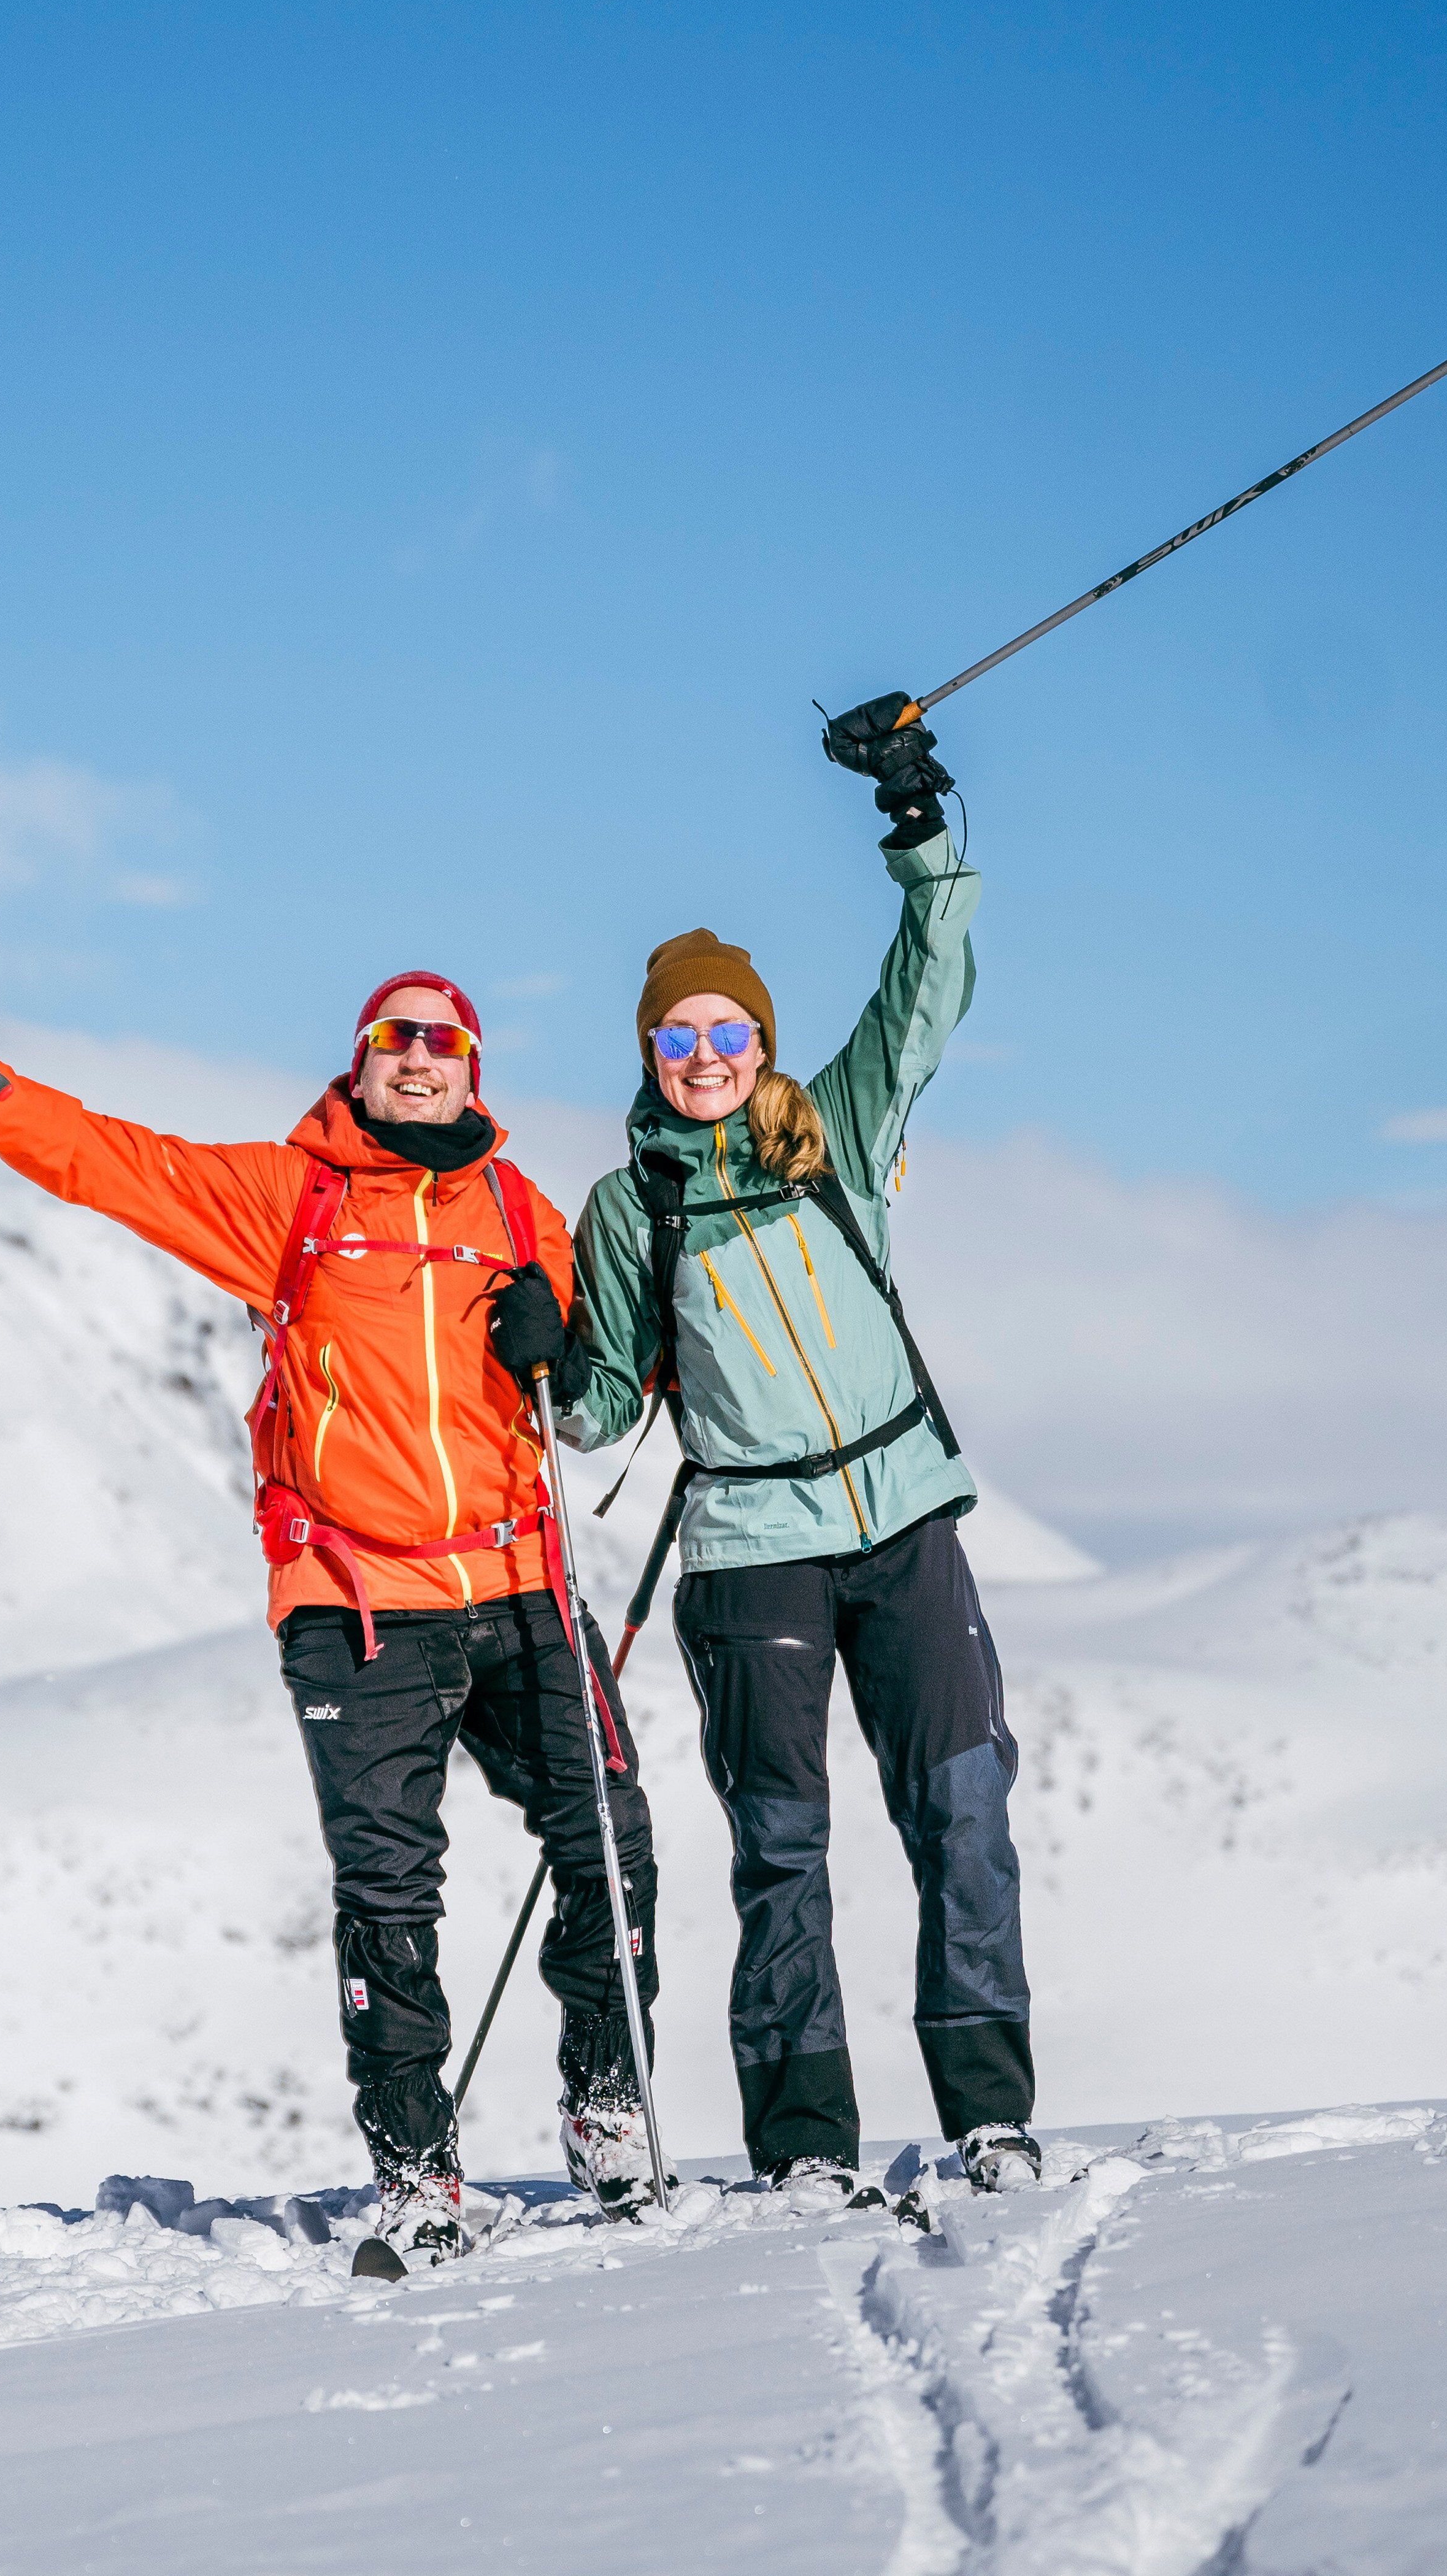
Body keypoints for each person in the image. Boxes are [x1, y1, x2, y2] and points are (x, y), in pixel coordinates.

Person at [0, 969, 663, 2250]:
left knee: (611, 1837)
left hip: (523, 1581)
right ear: (361, 1062)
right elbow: (121, 1165)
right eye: (394, 1040)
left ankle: (607, 2106)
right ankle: (418, 2171)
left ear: (475, 1069)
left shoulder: (525, 1215)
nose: (418, 1060)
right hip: (358, 1603)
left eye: (443, 1043)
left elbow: (607, 1380)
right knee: (390, 1889)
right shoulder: (290, 1194)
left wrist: (563, 1337)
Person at [551, 698, 1040, 2202]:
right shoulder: (632, 1202)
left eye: (727, 1028)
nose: (704, 1052)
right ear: (650, 1050)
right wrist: (541, 1344)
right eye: (678, 1034)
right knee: (783, 1855)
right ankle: (806, 2144)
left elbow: (931, 977)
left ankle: (988, 2115)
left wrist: (915, 819)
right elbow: (597, 1411)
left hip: (903, 1517)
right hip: (749, 1552)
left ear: (761, 1037)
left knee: (960, 1811)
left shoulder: (832, 1122)